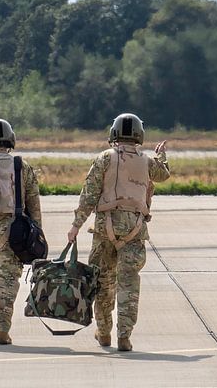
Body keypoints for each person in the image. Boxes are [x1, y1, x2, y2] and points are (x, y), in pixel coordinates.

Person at [67, 113, 170, 352]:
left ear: (114, 133)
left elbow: (89, 194)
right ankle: (124, 337)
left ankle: (104, 333)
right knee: (129, 285)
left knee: (102, 283)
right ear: (139, 135)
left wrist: (76, 225)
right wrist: (161, 156)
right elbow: (163, 175)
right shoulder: (148, 162)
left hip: (105, 230)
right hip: (135, 231)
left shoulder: (105, 158)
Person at [0, 118, 42, 345]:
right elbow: (33, 205)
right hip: (13, 231)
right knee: (8, 279)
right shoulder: (22, 166)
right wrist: (37, 235)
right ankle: (2, 330)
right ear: (11, 139)